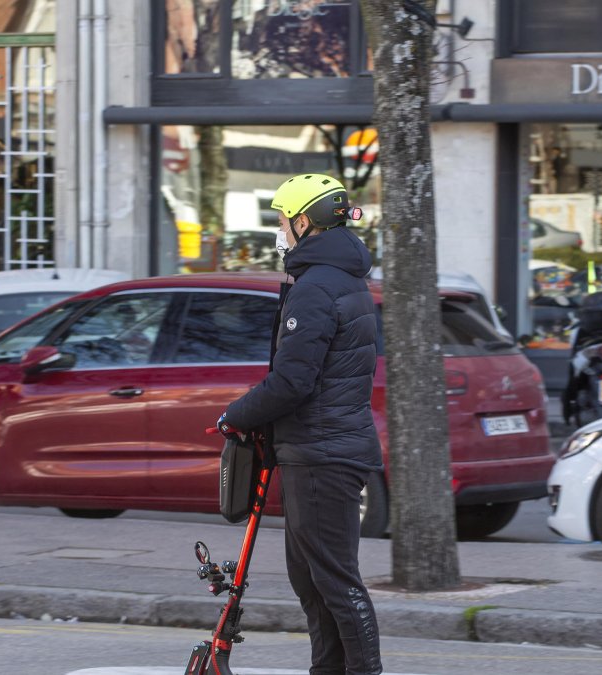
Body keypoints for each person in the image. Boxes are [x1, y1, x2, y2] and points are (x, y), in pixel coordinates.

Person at [219, 173, 383, 675]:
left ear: (304, 220)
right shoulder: (340, 278)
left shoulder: (316, 287)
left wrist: (236, 414)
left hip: (323, 453)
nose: (280, 230)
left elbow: (293, 380)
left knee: (334, 580)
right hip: (320, 448)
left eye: (282, 219)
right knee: (311, 580)